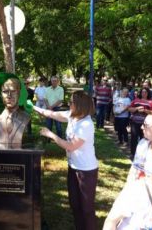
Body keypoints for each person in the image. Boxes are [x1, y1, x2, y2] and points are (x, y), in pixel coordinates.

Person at [34, 90, 98, 230]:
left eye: (71, 102)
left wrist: (51, 134)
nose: (69, 104)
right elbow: (51, 114)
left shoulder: (86, 124)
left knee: (86, 209)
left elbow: (70, 146)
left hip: (86, 171)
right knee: (75, 205)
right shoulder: (72, 116)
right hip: (73, 167)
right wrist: (33, 107)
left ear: (79, 105)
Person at [0, 78, 30, 148]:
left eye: (13, 91)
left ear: (19, 94)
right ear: (1, 95)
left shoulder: (26, 117)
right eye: (5, 92)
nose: (9, 95)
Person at [128, 87, 152, 159]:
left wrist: (145, 111)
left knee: (144, 139)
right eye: (142, 92)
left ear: (148, 93)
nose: (144, 93)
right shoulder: (136, 100)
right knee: (133, 138)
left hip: (145, 124)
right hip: (135, 122)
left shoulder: (151, 102)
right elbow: (129, 109)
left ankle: (142, 155)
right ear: (140, 93)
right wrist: (136, 108)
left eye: (145, 92)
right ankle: (133, 153)